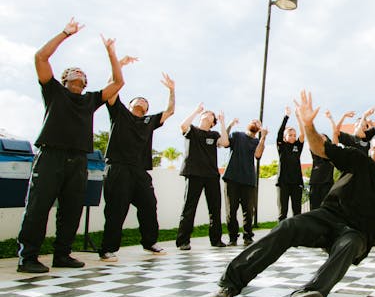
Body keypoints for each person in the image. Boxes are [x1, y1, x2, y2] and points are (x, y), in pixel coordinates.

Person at [210, 90, 375, 297]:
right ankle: (230, 284)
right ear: (369, 150)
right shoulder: (358, 161)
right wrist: (308, 124)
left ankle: (306, 296)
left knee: (349, 244)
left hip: (357, 235)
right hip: (327, 218)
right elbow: (321, 148)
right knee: (287, 226)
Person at [17, 18, 125, 273]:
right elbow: (40, 58)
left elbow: (118, 84)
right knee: (38, 206)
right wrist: (66, 33)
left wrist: (112, 53)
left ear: (86, 82)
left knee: (72, 209)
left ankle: (62, 254)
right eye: (73, 71)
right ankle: (28, 257)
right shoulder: (54, 91)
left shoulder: (90, 100)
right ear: (65, 78)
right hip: (50, 155)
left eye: (82, 73)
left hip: (78, 160)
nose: (78, 73)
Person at [99, 60, 176, 262]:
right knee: (116, 209)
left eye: (145, 101)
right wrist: (119, 67)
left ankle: (150, 242)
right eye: (138, 100)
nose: (141, 101)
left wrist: (171, 90)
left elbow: (170, 111)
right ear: (131, 104)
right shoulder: (120, 113)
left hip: (140, 171)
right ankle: (108, 249)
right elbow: (111, 90)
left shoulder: (149, 122)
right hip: (118, 168)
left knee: (149, 205)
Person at [175, 103, 229, 250]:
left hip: (211, 176)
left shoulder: (214, 134)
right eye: (205, 113)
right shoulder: (192, 130)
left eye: (210, 114)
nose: (207, 114)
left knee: (215, 208)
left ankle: (216, 239)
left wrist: (223, 122)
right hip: (194, 174)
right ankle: (183, 241)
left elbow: (225, 143)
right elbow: (183, 126)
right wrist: (196, 111)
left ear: (213, 122)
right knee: (189, 207)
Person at [223, 118, 267, 246]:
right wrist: (230, 124)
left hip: (248, 180)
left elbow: (258, 155)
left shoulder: (257, 141)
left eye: (258, 123)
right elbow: (224, 142)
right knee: (231, 210)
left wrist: (263, 137)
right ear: (248, 124)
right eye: (253, 121)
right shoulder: (237, 135)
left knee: (248, 210)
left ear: (259, 129)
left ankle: (248, 236)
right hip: (232, 178)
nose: (255, 122)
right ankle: (233, 237)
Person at [276, 106, 304, 221]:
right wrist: (286, 117)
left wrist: (298, 116)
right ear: (285, 137)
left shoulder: (298, 145)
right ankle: (281, 236)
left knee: (297, 212)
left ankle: (297, 236)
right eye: (290, 135)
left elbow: (303, 133)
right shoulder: (281, 146)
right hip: (283, 183)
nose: (293, 136)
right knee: (283, 212)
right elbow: (279, 133)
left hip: (296, 183)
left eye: (294, 135)